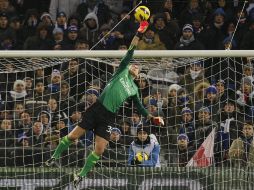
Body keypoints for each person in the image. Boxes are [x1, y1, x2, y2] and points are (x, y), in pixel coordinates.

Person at [45, 21, 163, 187]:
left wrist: (152, 117)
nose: (134, 67)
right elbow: (131, 50)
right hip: (96, 110)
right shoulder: (121, 71)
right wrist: (139, 33)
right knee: (73, 137)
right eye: (133, 65)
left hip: (109, 117)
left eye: (137, 68)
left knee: (99, 150)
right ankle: (54, 156)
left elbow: (140, 108)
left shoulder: (135, 89)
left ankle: (80, 175)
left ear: (138, 74)